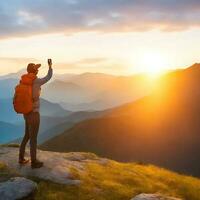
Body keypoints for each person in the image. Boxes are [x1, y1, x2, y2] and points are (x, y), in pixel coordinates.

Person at [18, 60, 53, 169]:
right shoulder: (37, 81)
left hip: (26, 113)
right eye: (36, 69)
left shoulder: (23, 81)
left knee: (27, 136)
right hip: (34, 114)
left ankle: (21, 158)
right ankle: (34, 162)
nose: (37, 70)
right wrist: (50, 67)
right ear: (34, 71)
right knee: (33, 138)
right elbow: (48, 77)